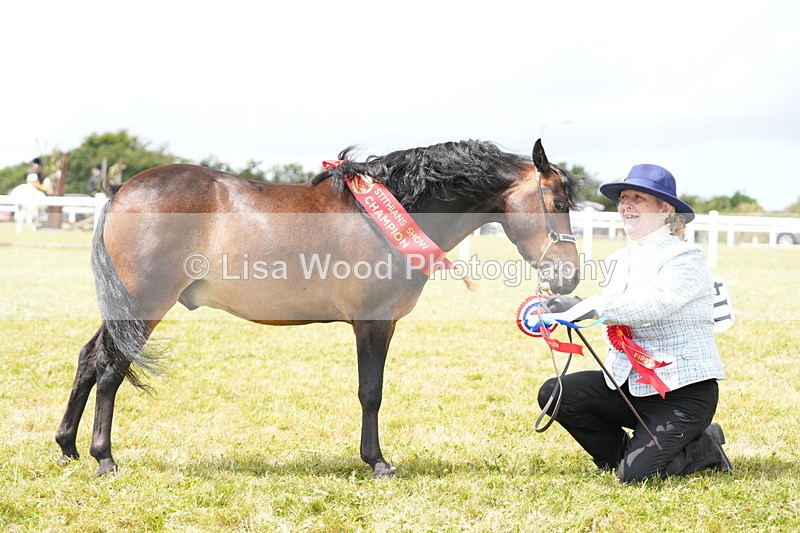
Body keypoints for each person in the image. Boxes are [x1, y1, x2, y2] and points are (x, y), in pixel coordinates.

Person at [536, 163, 731, 482]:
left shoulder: (686, 257)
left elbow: (656, 302)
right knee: (556, 393)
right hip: (625, 384)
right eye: (623, 198)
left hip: (681, 392)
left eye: (638, 198)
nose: (626, 204)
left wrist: (590, 306)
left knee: (637, 477)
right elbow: (619, 313)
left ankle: (703, 446)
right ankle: (617, 458)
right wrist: (568, 307)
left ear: (664, 209)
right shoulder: (617, 259)